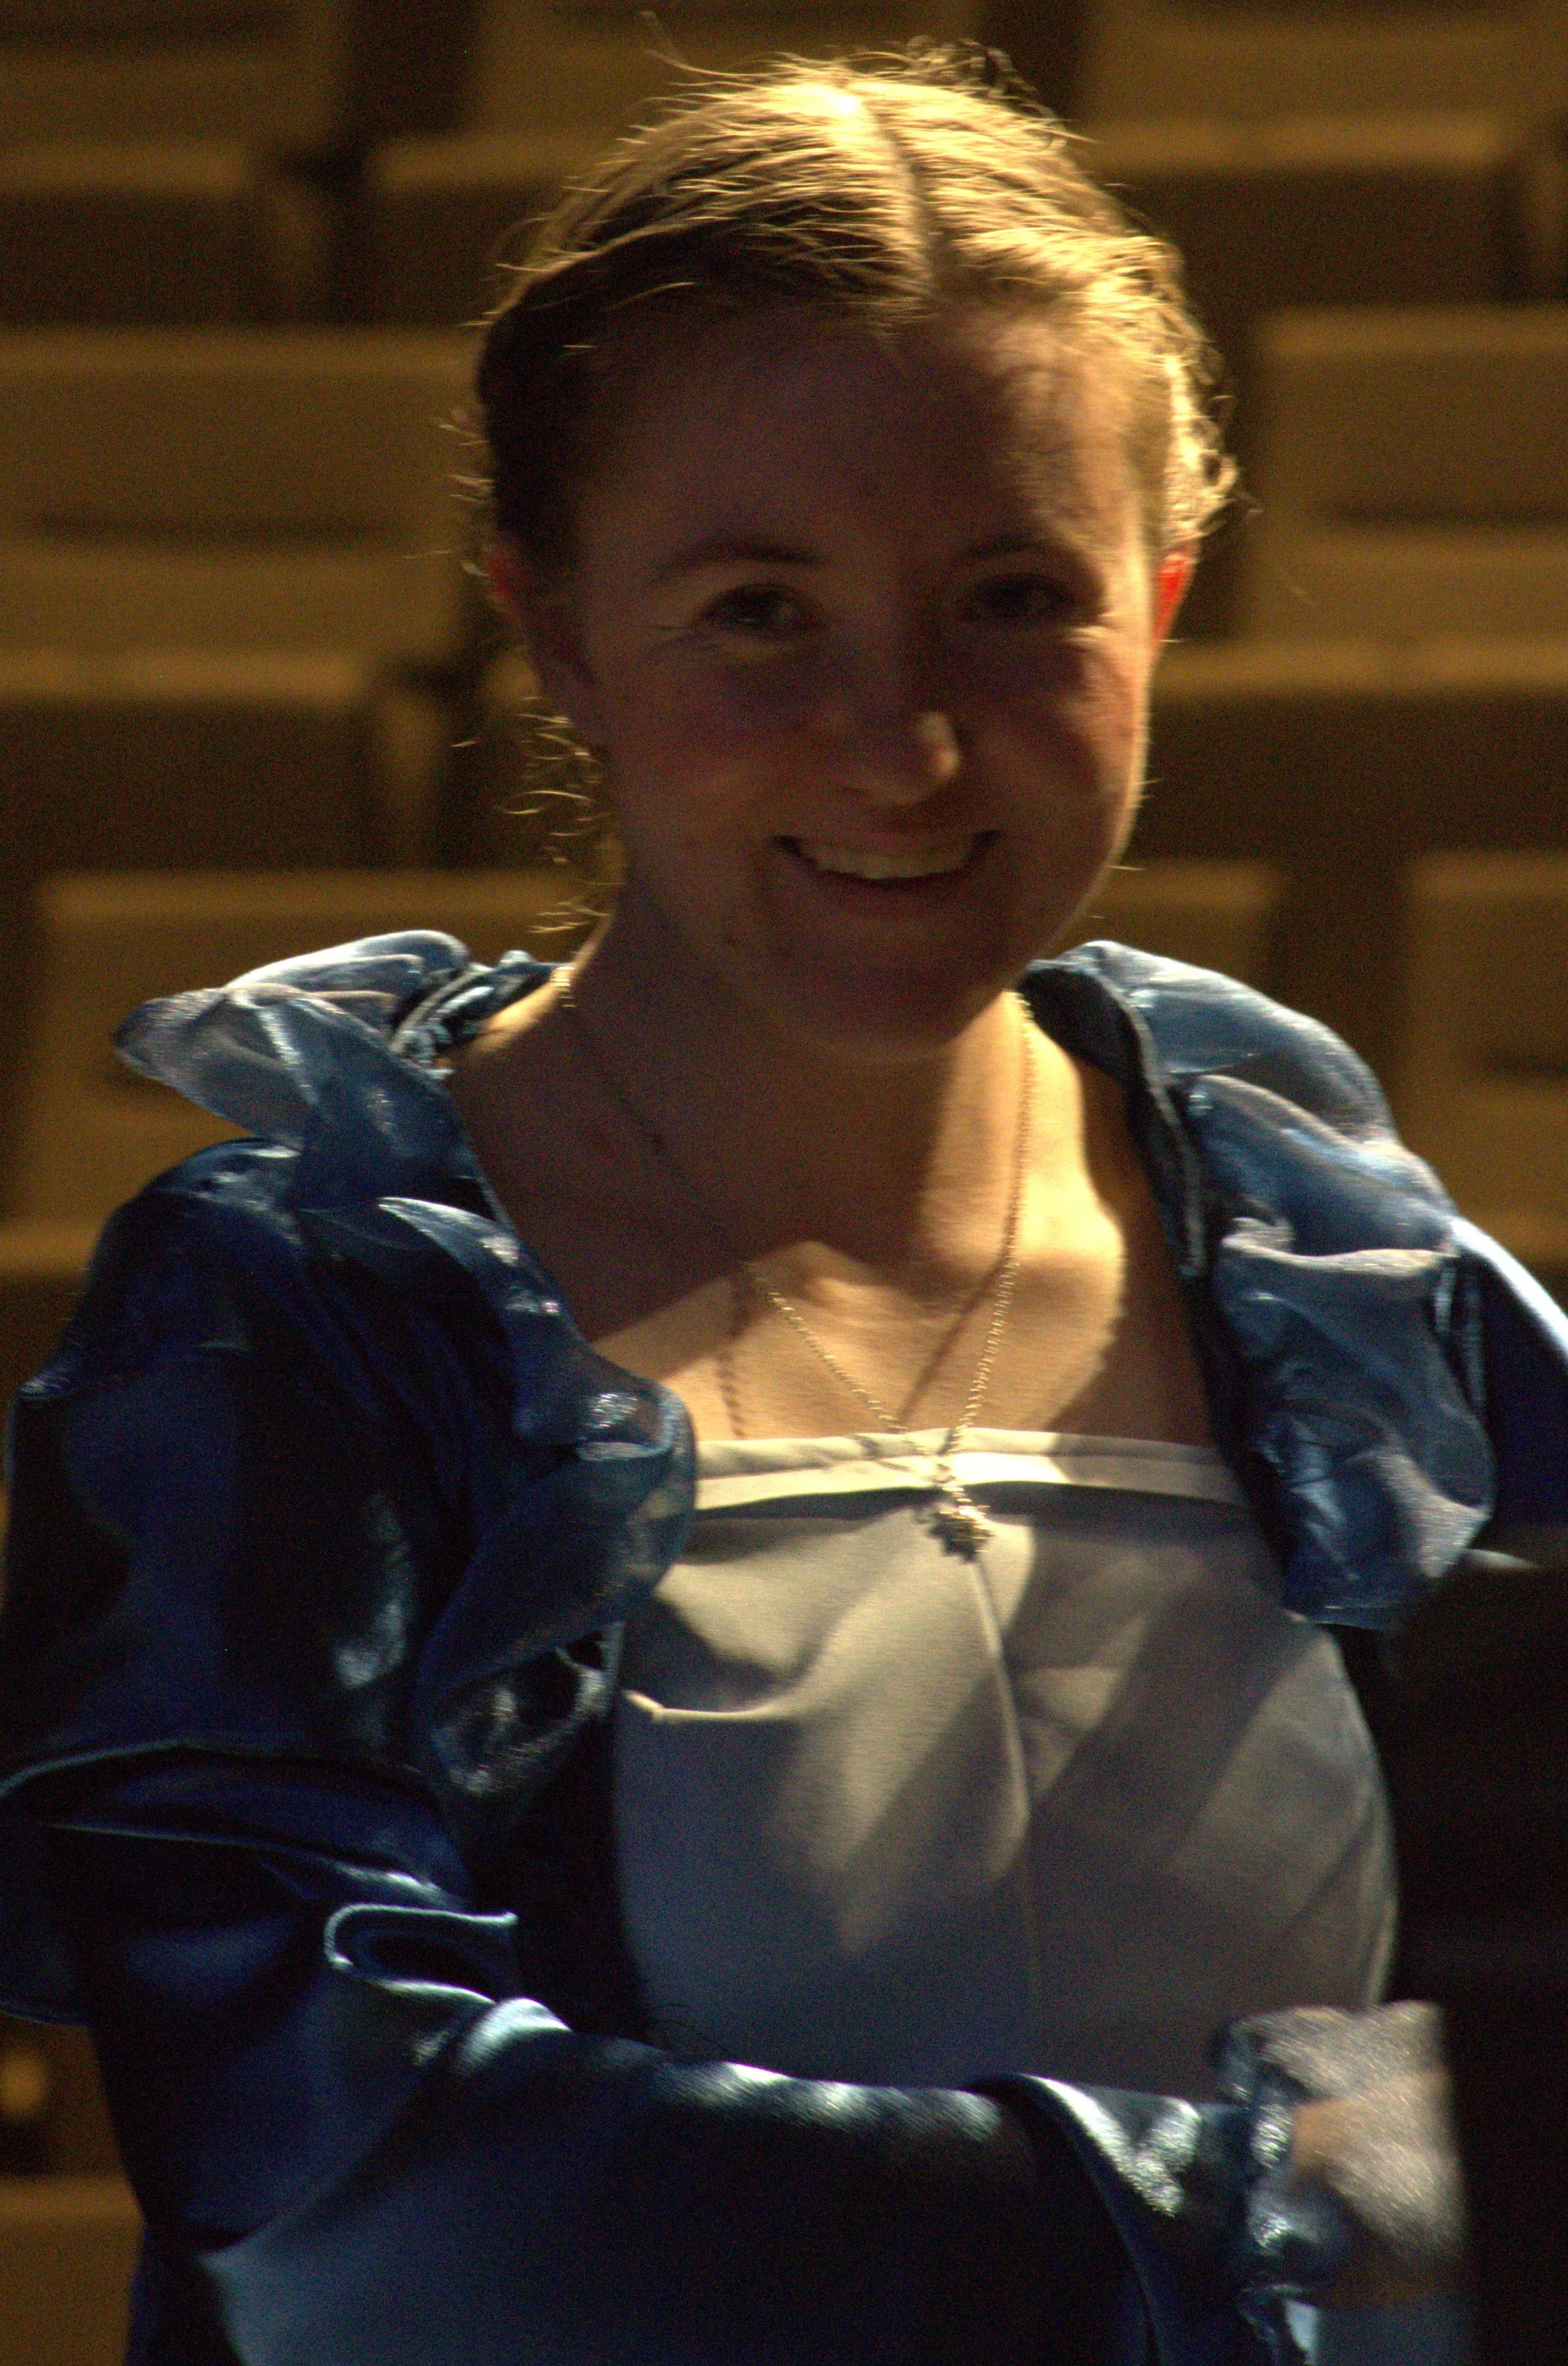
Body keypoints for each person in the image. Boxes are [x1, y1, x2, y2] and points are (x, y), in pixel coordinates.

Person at [1, 44, 1564, 2366]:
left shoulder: (1328, 1257)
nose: (901, 740)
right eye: (758, 609)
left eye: (1016, 597)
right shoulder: (314, 1311)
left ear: (1164, 596)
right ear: (554, 630)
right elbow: (350, 2202)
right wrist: (1305, 2223)